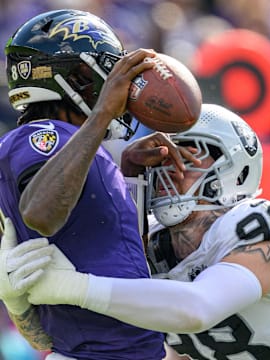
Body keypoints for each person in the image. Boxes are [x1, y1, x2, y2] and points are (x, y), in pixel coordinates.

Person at [2, 104, 270, 359]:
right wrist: (18, 299)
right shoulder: (153, 248)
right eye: (164, 158)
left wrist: (73, 286)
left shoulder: (256, 226)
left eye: (188, 157)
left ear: (234, 168)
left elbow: (197, 309)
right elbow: (61, 340)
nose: (169, 168)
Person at [0, 8, 197, 360]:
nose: (115, 86)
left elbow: (117, 255)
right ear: (75, 78)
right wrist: (102, 113)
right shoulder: (45, 136)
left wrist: (127, 173)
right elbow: (40, 213)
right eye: (106, 73)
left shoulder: (72, 147)